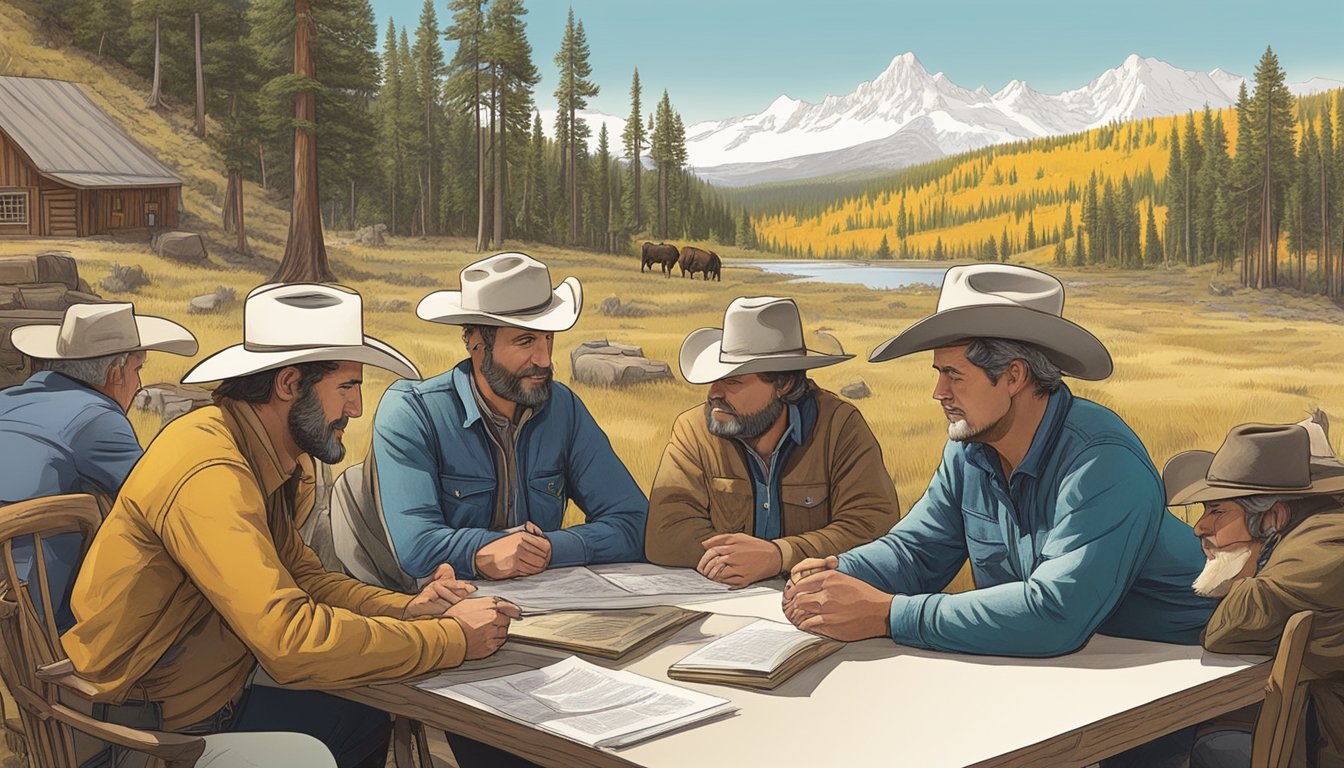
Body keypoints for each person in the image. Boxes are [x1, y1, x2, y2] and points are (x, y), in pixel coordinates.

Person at [62, 283, 519, 768]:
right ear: (288, 384)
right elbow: (289, 641)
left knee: (361, 720)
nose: (357, 408)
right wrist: (452, 639)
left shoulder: (266, 453)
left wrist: (408, 610)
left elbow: (306, 580)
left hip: (209, 702)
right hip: (138, 734)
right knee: (311, 754)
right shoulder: (210, 470)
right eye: (347, 387)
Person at [783, 263, 1214, 657]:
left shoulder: (1101, 460)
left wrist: (888, 615)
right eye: (938, 373)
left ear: (1013, 376)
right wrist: (840, 570)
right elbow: (917, 552)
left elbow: (1054, 615)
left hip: (1181, 671)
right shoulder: (969, 448)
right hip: (1068, 668)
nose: (939, 393)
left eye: (953, 375)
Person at [371, 252, 647, 767]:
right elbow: (416, 548)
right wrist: (487, 553)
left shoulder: (561, 407)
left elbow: (634, 520)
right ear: (477, 343)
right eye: (526, 341)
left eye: (548, 341)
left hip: (555, 631)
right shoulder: (411, 411)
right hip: (454, 635)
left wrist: (545, 549)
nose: (543, 359)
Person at [646, 296, 900, 587]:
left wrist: (779, 555)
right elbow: (665, 532)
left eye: (733, 381)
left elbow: (874, 526)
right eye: (714, 379)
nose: (714, 393)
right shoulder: (693, 430)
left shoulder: (840, 427)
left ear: (785, 384)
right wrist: (738, 559)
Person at [1, 302, 196, 632]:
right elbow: (162, 501)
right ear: (115, 373)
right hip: (37, 612)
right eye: (137, 370)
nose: (138, 383)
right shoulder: (97, 420)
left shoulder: (6, 400)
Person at [1162, 418, 1344, 768]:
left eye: (1218, 510)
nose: (1200, 527)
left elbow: (1226, 630)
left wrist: (1243, 573)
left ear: (1274, 516)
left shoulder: (1326, 543)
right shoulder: (1312, 533)